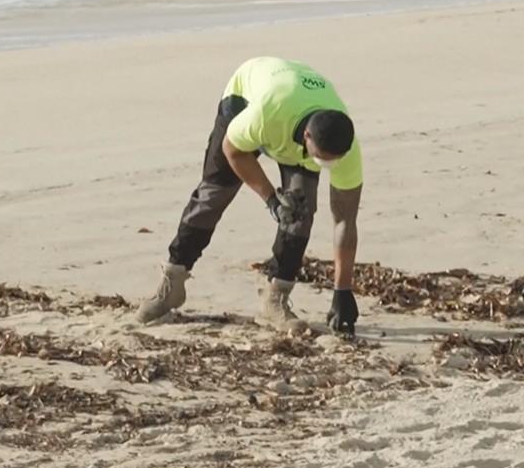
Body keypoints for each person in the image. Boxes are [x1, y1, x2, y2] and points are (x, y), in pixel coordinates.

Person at [135, 57, 362, 335]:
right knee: (213, 194)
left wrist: (343, 291)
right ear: (307, 137)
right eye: (321, 159)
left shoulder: (346, 151)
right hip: (246, 98)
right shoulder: (266, 115)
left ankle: (276, 299)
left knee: (300, 211)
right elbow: (234, 151)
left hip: (297, 111)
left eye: (332, 162)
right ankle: (172, 282)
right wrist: (271, 200)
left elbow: (345, 221)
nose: (327, 167)